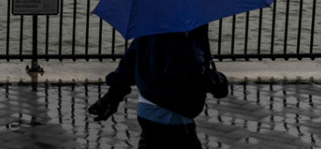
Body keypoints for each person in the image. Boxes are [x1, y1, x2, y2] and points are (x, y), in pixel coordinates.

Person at [88, 25, 227, 148]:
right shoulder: (185, 24)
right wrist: (217, 82)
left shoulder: (155, 18)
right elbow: (183, 69)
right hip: (171, 112)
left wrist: (113, 95)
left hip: (148, 106)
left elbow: (134, 55)